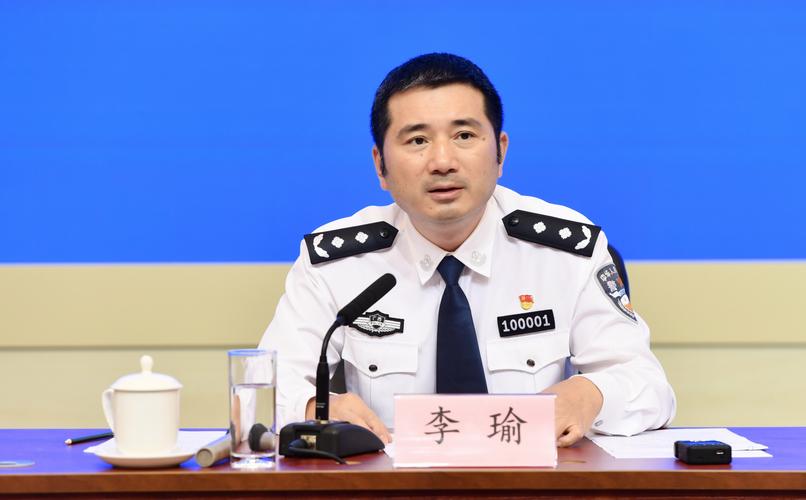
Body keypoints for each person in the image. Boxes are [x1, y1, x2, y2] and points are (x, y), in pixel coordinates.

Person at [259, 53, 675, 447]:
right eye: (417, 140)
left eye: (464, 135)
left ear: (500, 152)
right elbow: (267, 385)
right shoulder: (336, 263)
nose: (442, 161)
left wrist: (589, 394)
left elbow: (649, 385)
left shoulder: (566, 254)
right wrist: (314, 408)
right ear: (380, 166)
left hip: (531, 481)